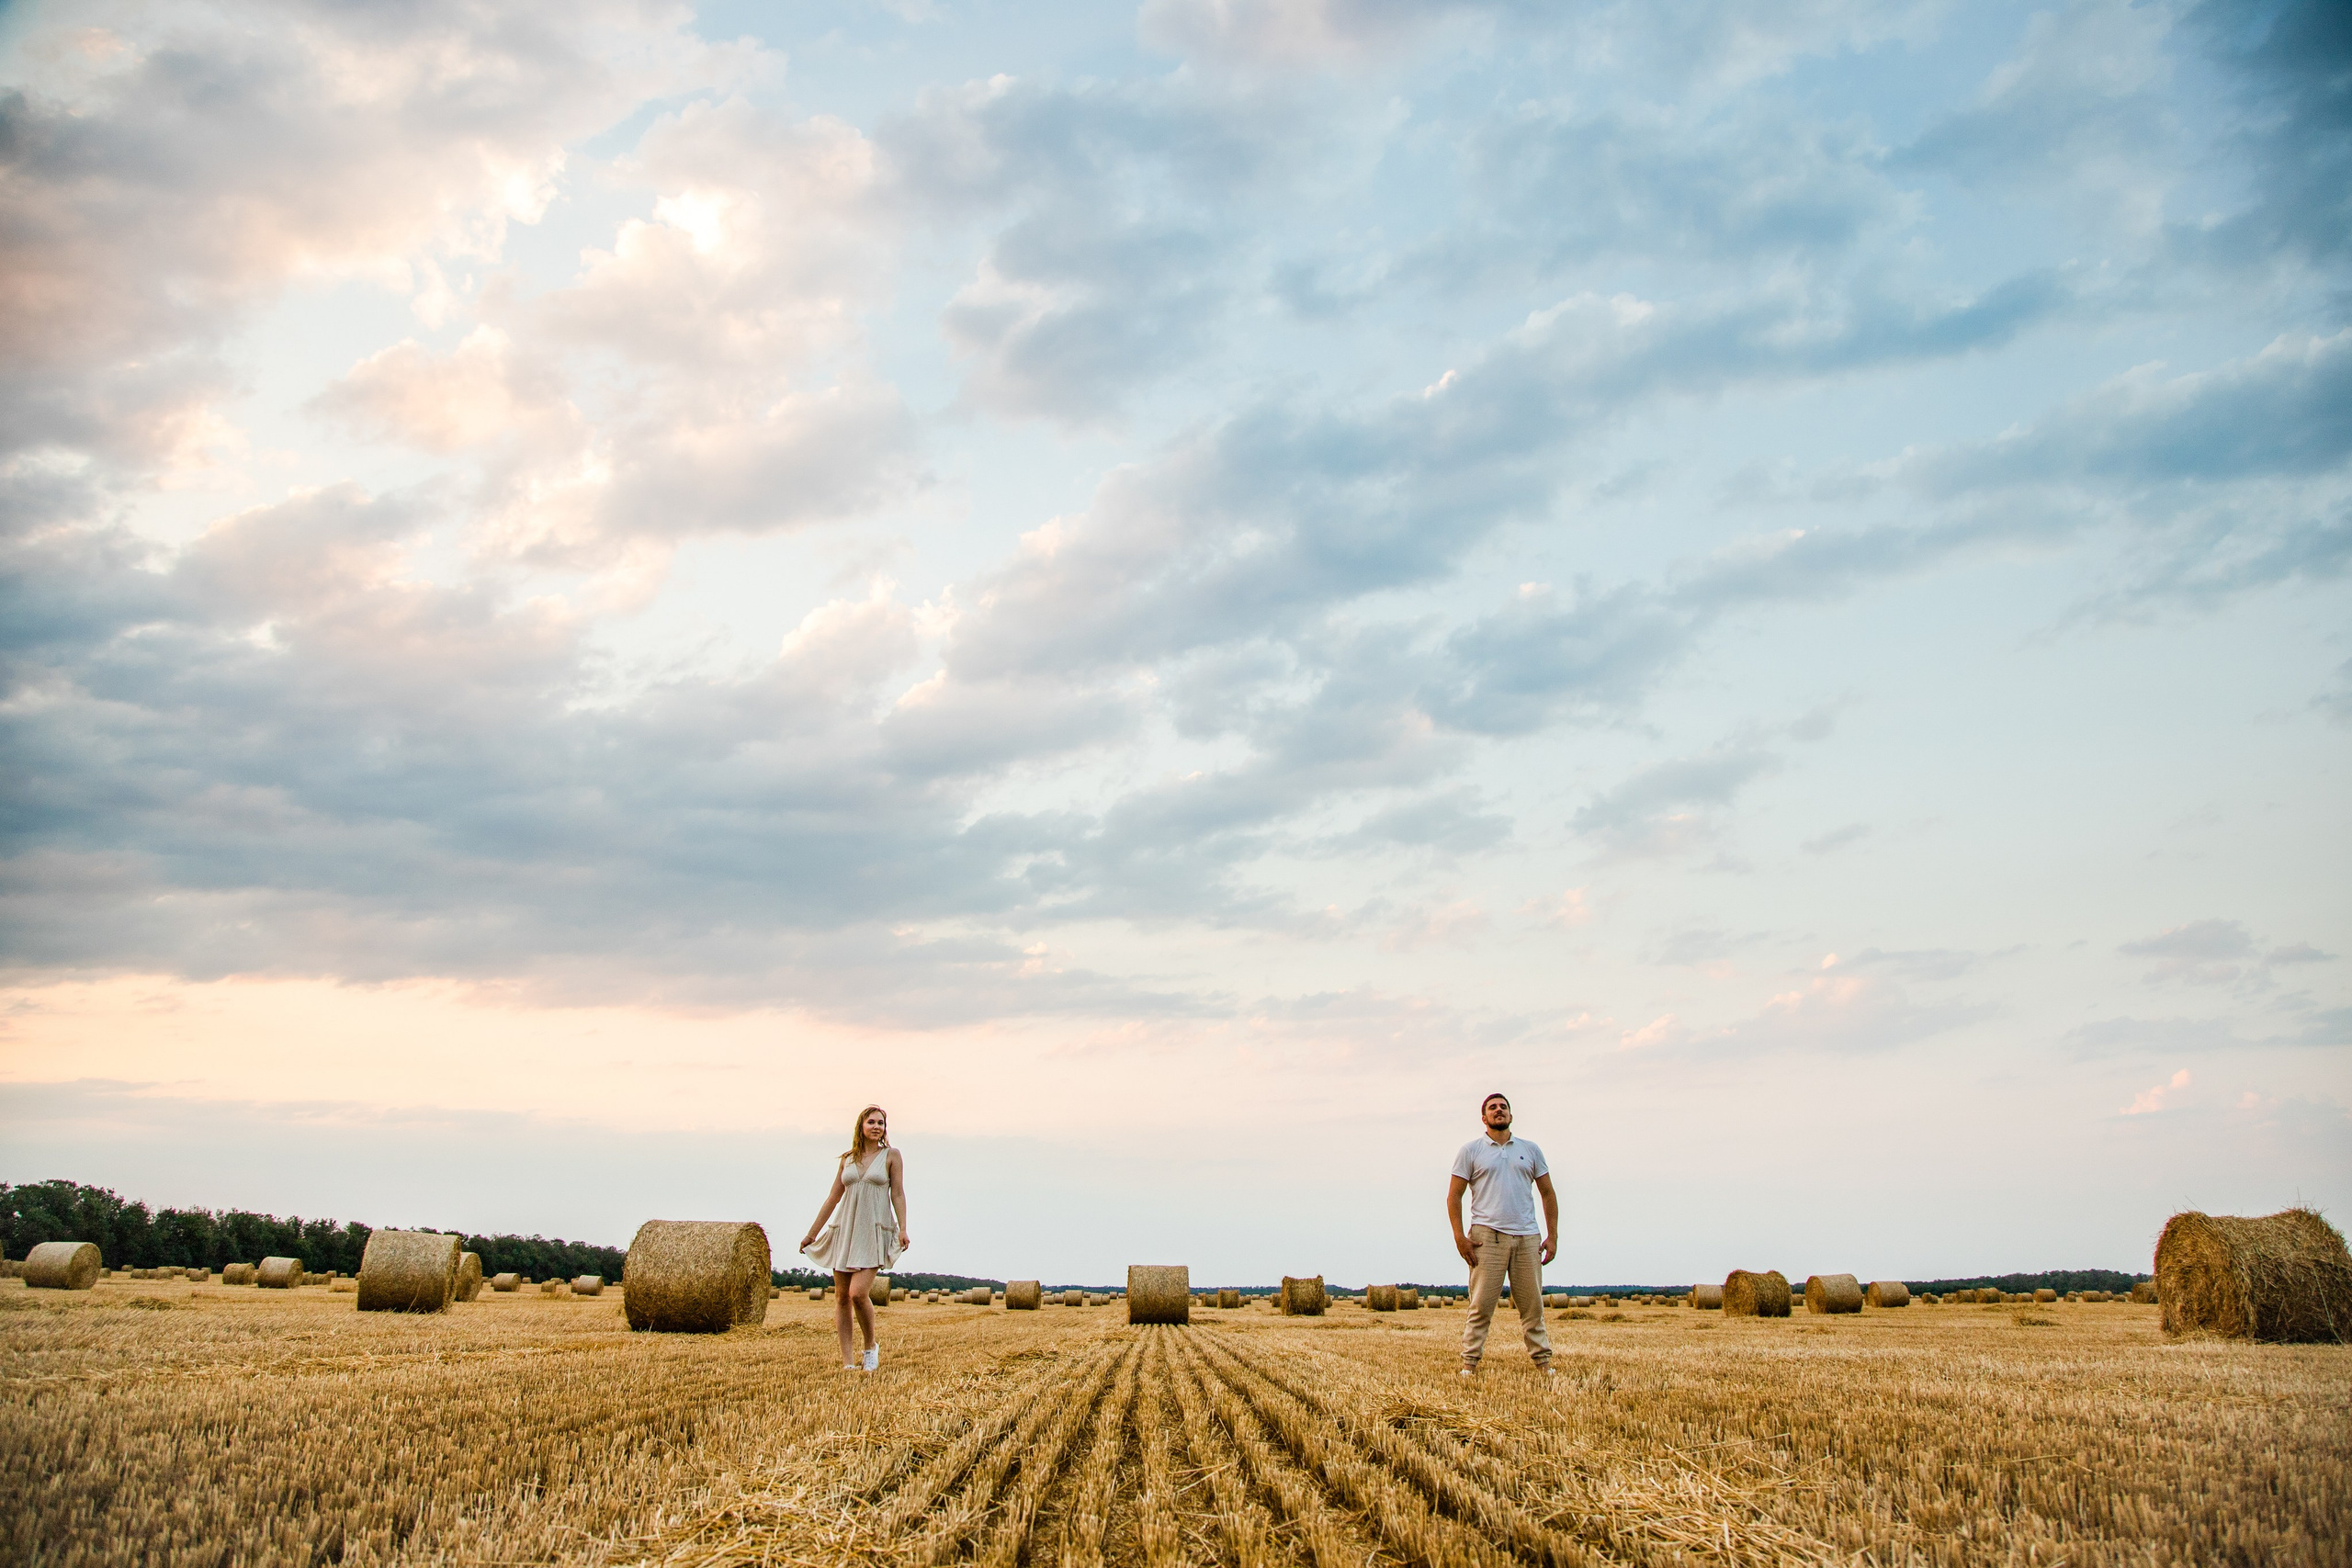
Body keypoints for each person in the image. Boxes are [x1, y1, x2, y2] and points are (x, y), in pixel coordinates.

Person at [1447, 1091, 1556, 1377]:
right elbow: (1454, 1196)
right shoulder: (1470, 1151)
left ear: (1511, 1115)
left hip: (1527, 1237)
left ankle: (1544, 1364)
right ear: (1484, 1118)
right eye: (1492, 1108)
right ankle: (1469, 1364)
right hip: (1487, 1237)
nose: (1499, 1111)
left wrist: (1552, 1236)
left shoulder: (1530, 1149)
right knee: (1481, 1306)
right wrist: (1460, 1237)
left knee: (1533, 1307)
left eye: (1503, 1107)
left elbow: (1547, 1193)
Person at [799, 1104, 910, 1371]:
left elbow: (897, 1193)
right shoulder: (847, 1158)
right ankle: (848, 1362)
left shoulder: (891, 1156)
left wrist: (903, 1228)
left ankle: (870, 1346)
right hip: (845, 1229)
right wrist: (812, 1233)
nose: (876, 1127)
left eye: (881, 1123)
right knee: (841, 1297)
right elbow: (833, 1198)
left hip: (873, 1230)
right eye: (871, 1122)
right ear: (861, 1126)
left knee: (858, 1294)